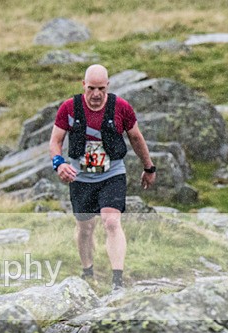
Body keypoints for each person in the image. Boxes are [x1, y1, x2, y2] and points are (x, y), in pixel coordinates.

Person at [49, 64, 156, 291]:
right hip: (80, 177)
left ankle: (117, 280)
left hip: (112, 174)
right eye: (91, 88)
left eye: (101, 89)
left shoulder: (121, 108)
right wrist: (59, 164)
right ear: (83, 85)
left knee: (111, 222)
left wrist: (149, 167)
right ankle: (88, 271)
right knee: (85, 228)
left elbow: (136, 138)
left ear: (108, 85)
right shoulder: (69, 108)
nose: (96, 94)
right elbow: (56, 141)